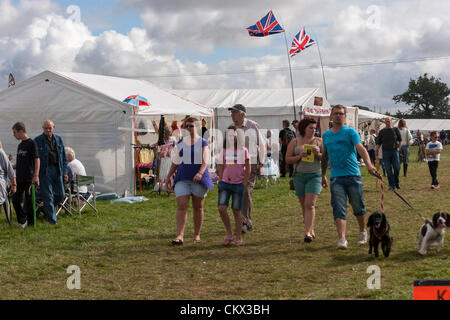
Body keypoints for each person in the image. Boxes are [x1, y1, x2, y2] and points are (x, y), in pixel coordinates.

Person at [321, 105, 377, 250]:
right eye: (336, 114)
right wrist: (322, 175)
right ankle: (342, 238)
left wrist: (369, 165)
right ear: (331, 116)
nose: (338, 116)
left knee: (358, 205)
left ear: (345, 116)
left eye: (341, 114)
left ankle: (363, 231)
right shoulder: (326, 135)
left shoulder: (350, 132)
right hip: (335, 177)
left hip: (353, 175)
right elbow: (325, 156)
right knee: (339, 208)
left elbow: (361, 148)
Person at [167, 117, 213, 245]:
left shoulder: (203, 142)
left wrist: (200, 173)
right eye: (186, 126)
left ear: (197, 127)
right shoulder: (181, 142)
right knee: (182, 206)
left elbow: (205, 160)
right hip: (182, 178)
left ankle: (197, 234)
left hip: (199, 179)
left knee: (198, 208)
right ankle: (180, 235)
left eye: (191, 126)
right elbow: (175, 160)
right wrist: (169, 175)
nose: (188, 128)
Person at [285, 117, 324, 243]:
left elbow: (326, 159)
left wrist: (318, 154)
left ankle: (307, 232)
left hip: (315, 175)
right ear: (303, 128)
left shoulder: (319, 141)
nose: (313, 130)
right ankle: (310, 229)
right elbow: (287, 159)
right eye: (310, 128)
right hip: (299, 176)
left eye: (315, 128)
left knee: (310, 204)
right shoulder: (295, 142)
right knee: (304, 205)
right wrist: (299, 156)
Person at [228, 104, 265, 233]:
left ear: (243, 114)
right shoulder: (231, 128)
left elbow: (262, 144)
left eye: (234, 112)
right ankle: (244, 221)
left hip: (252, 162)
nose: (232, 115)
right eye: (231, 113)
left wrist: (262, 163)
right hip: (235, 164)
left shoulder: (252, 125)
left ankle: (245, 221)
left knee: (245, 190)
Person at [216, 126, 250, 246]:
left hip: (238, 185)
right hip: (225, 183)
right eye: (229, 135)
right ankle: (229, 233)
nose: (232, 137)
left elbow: (248, 168)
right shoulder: (224, 150)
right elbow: (220, 165)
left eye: (234, 135)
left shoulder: (243, 150)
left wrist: (244, 182)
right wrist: (220, 179)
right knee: (221, 208)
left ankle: (238, 237)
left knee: (236, 211)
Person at [34, 120, 68, 225]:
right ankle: (52, 221)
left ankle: (45, 210)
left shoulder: (58, 139)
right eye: (46, 128)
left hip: (57, 169)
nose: (48, 129)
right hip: (45, 171)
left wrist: (65, 172)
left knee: (61, 194)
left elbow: (63, 157)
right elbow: (35, 158)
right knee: (48, 196)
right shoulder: (37, 140)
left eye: (50, 127)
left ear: (54, 127)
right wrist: (36, 174)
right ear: (42, 128)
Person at [12, 122, 40, 228]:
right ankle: (23, 219)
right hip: (19, 178)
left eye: (15, 132)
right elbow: (19, 163)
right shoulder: (20, 145)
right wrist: (11, 167)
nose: (14, 135)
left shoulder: (31, 143)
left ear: (21, 131)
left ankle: (31, 223)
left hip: (29, 177)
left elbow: (37, 159)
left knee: (29, 201)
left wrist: (36, 175)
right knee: (15, 200)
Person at [375, 117, 402, 190]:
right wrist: (376, 150)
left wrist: (398, 148)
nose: (388, 122)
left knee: (397, 168)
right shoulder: (382, 131)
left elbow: (400, 140)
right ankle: (391, 185)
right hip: (385, 152)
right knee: (388, 170)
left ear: (391, 121)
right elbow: (378, 142)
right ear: (385, 122)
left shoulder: (395, 130)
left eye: (389, 121)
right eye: (386, 121)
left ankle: (396, 182)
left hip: (394, 151)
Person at [0, 140, 17, 218]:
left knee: (5, 204)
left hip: (1, 186)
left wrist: (14, 185)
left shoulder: (1, 154)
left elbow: (10, 171)